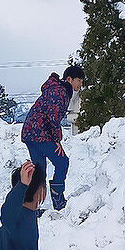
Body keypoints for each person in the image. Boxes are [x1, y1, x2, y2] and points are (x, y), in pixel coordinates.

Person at [21, 65, 85, 210]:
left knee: (39, 172)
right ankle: (57, 195)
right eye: (79, 80)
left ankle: (30, 206)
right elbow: (53, 118)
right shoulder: (60, 91)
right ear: (69, 79)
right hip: (39, 133)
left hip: (30, 132)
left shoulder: (56, 89)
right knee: (62, 161)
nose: (81, 84)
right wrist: (57, 140)